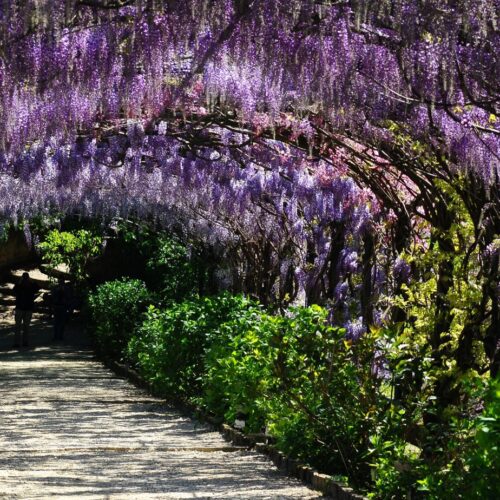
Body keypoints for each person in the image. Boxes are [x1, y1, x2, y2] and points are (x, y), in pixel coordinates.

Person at [13, 272, 39, 348]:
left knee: (22, 327)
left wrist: (29, 281)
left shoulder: (30, 286)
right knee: (22, 327)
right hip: (23, 308)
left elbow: (37, 288)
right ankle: (22, 342)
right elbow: (15, 289)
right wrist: (30, 281)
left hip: (24, 309)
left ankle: (21, 342)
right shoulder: (21, 286)